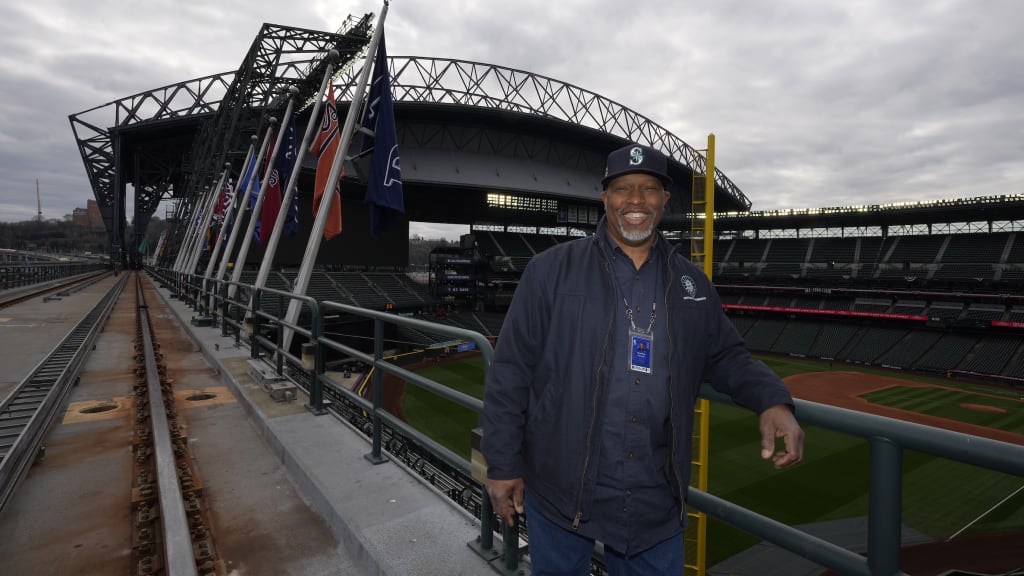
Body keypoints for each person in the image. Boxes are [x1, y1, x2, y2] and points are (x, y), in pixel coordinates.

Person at [481, 143, 804, 575]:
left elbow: (727, 355)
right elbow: (510, 372)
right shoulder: (550, 271)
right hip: (560, 489)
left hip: (655, 494)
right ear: (605, 198)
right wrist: (502, 465)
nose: (636, 200)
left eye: (649, 189)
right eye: (623, 189)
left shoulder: (694, 284)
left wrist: (773, 400)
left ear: (664, 200)